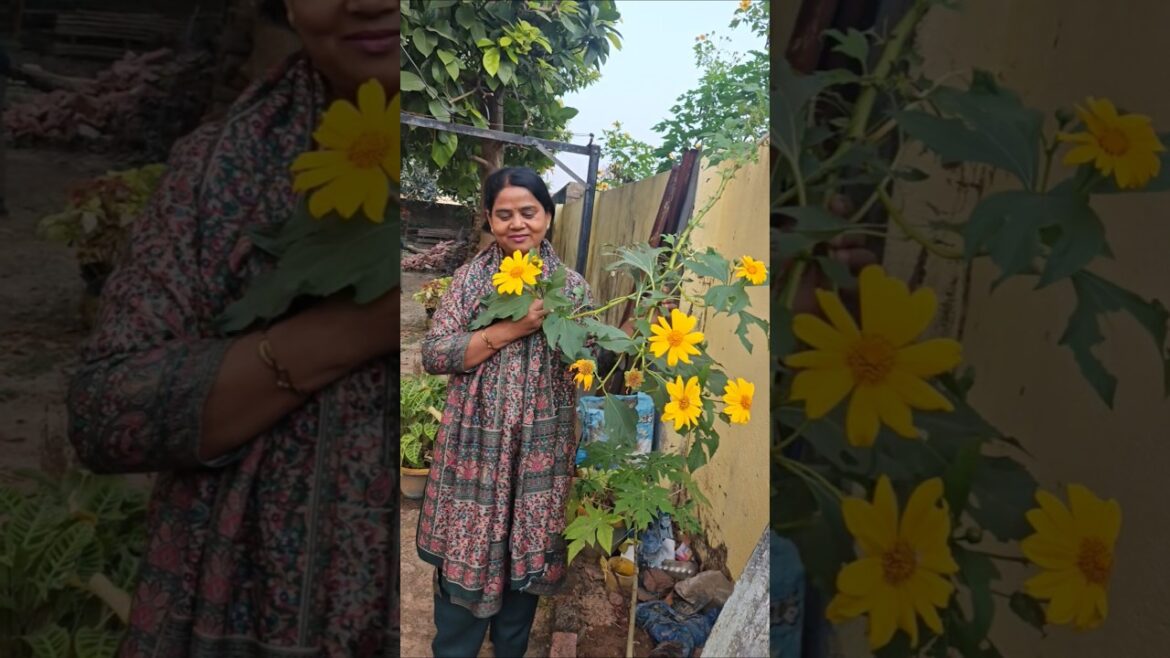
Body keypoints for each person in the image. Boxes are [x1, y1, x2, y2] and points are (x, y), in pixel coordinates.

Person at [66, 1, 400, 656]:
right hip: (236, 621)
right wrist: (359, 327)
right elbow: (105, 411)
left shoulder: (508, 210)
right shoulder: (219, 173)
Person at [418, 167, 654, 657]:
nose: (517, 223)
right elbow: (435, 354)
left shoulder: (570, 288)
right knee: (466, 557)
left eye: (528, 211)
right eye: (504, 214)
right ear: (490, 220)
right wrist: (516, 326)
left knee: (523, 565)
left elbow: (589, 363)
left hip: (540, 453)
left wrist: (630, 329)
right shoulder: (469, 282)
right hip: (475, 448)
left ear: (548, 215)